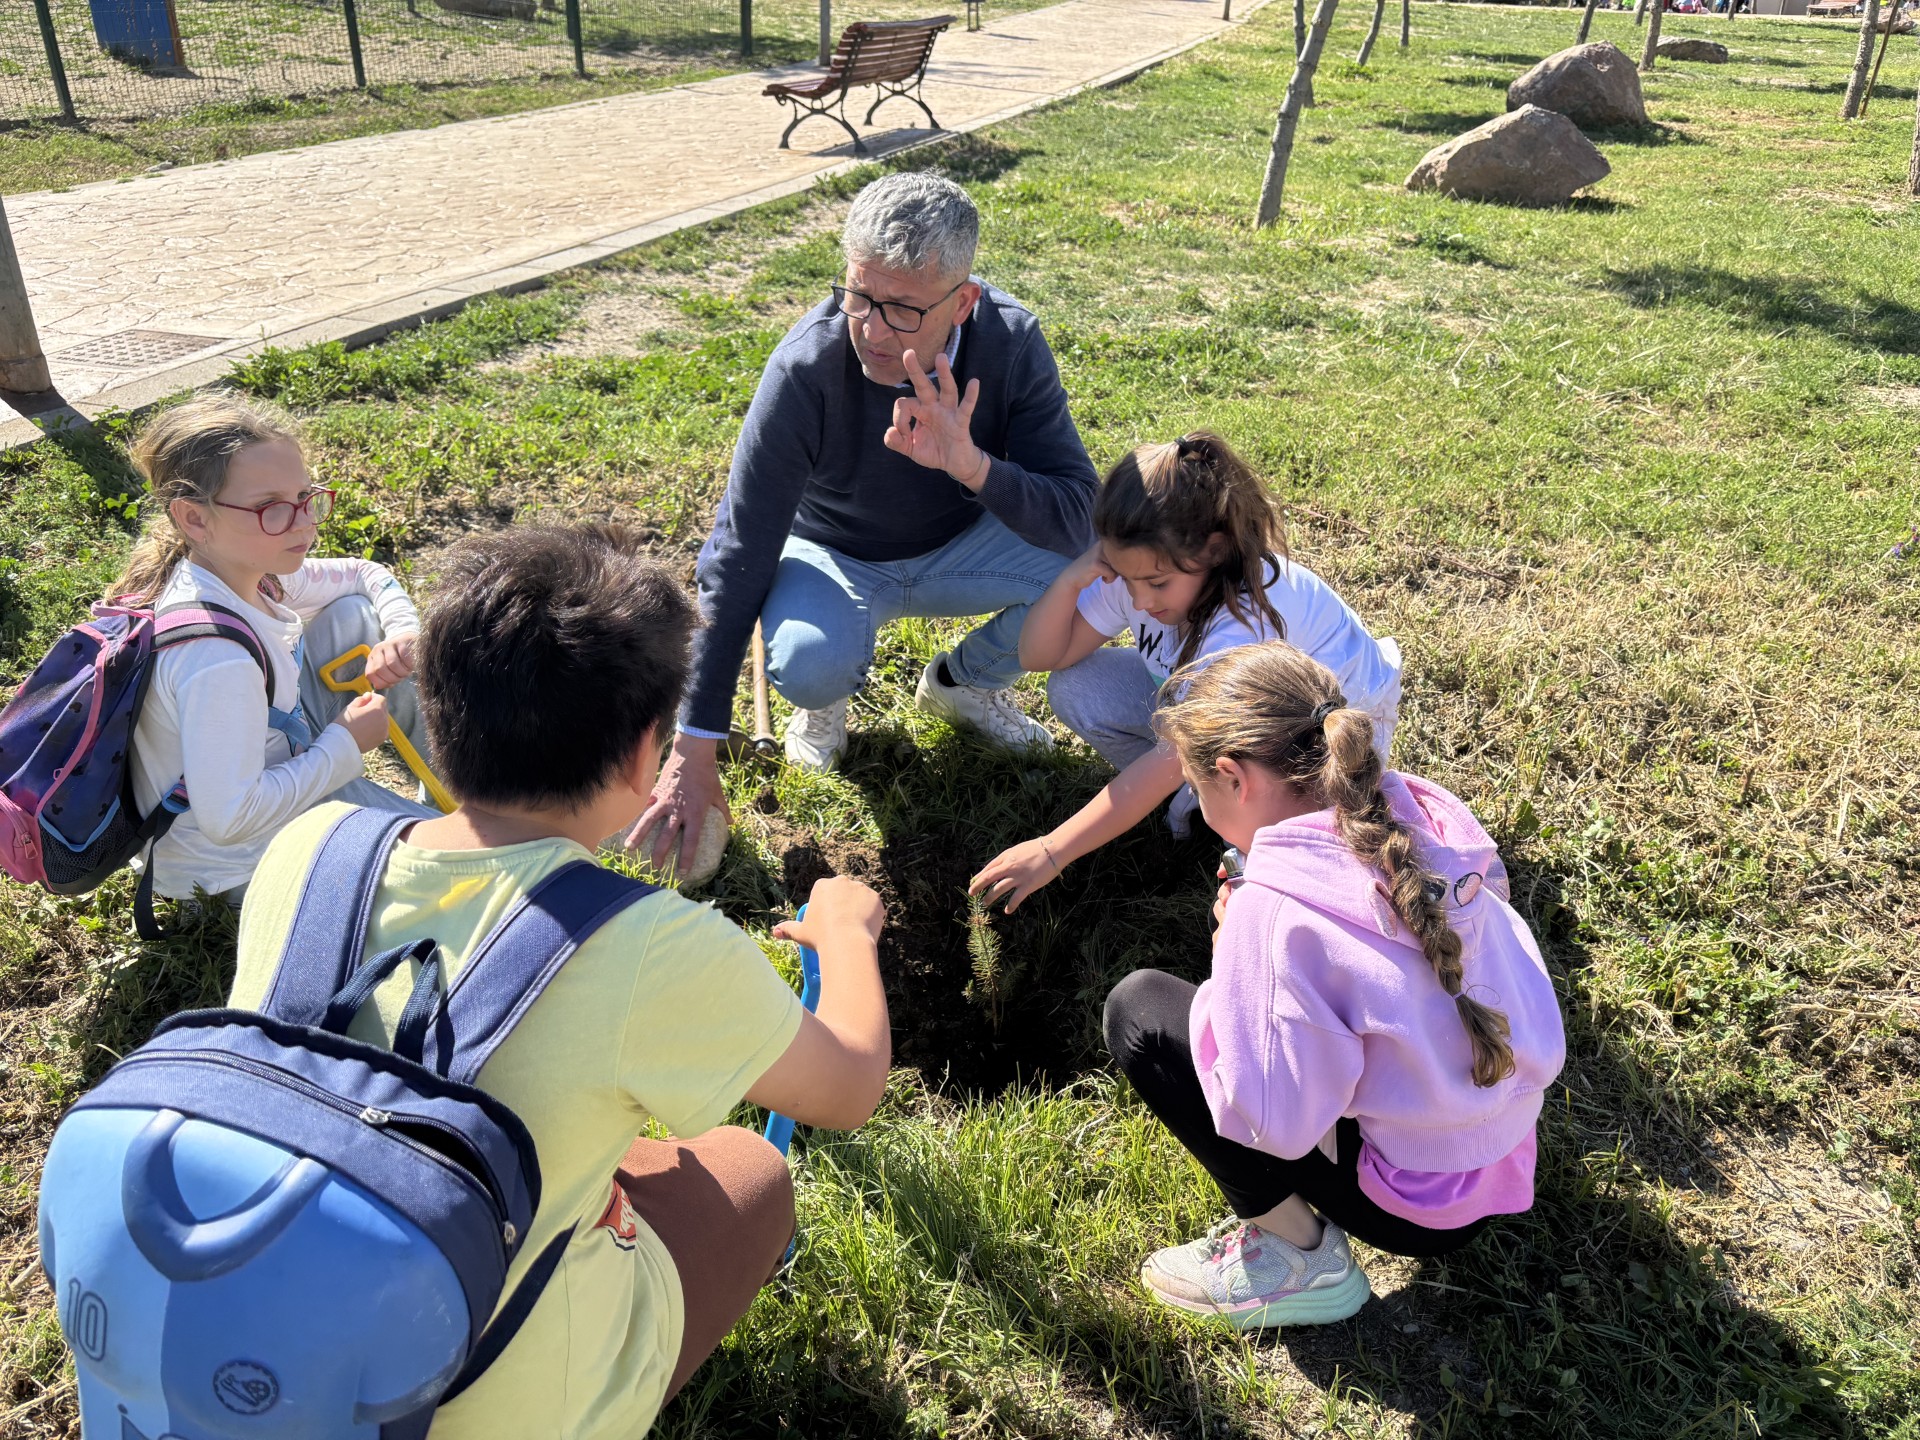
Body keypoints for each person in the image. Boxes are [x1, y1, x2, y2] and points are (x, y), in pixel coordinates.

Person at [228, 524, 892, 1438]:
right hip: (482, 1407)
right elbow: (850, 1084)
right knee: (753, 1171)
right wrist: (846, 933)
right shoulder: (647, 944)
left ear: (443, 712)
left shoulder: (307, 848)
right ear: (639, 758)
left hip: (263, 1341)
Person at [637, 171, 1099, 871]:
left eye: (904, 310)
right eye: (859, 296)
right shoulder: (807, 368)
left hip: (960, 549)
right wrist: (692, 744)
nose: (873, 330)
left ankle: (964, 683)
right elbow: (739, 550)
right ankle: (824, 704)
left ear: (964, 300)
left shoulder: (1010, 343)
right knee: (811, 665)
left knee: (1101, 569)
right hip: (835, 556)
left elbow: (1080, 517)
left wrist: (972, 466)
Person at [1103, 642, 1565, 1328]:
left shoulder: (1274, 912)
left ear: (1233, 776)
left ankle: (1299, 1260)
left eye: (1196, 791)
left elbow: (1271, 1124)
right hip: (1500, 1153)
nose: (1199, 808)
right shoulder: (1424, 817)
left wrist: (1232, 959)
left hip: (1416, 1212)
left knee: (1138, 1011)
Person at [968, 432, 1401, 913]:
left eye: (1155, 584)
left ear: (1213, 552)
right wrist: (1075, 577)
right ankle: (1201, 798)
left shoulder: (1240, 625)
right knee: (1078, 688)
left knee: (1278, 842)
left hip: (1319, 736)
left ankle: (1242, 826)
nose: (1140, 602)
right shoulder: (1146, 568)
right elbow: (1041, 655)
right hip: (1227, 715)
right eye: (1125, 576)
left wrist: (1054, 850)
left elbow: (1170, 755)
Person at [114, 395, 435, 907]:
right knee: (492, 863)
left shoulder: (245, 574)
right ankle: (482, 817)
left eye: (307, 498)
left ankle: (466, 794)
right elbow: (230, 819)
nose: (306, 523)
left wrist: (402, 632)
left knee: (355, 613)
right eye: (273, 509)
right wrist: (345, 745)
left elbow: (365, 572)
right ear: (195, 519)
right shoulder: (215, 657)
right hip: (234, 864)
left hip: (267, 780)